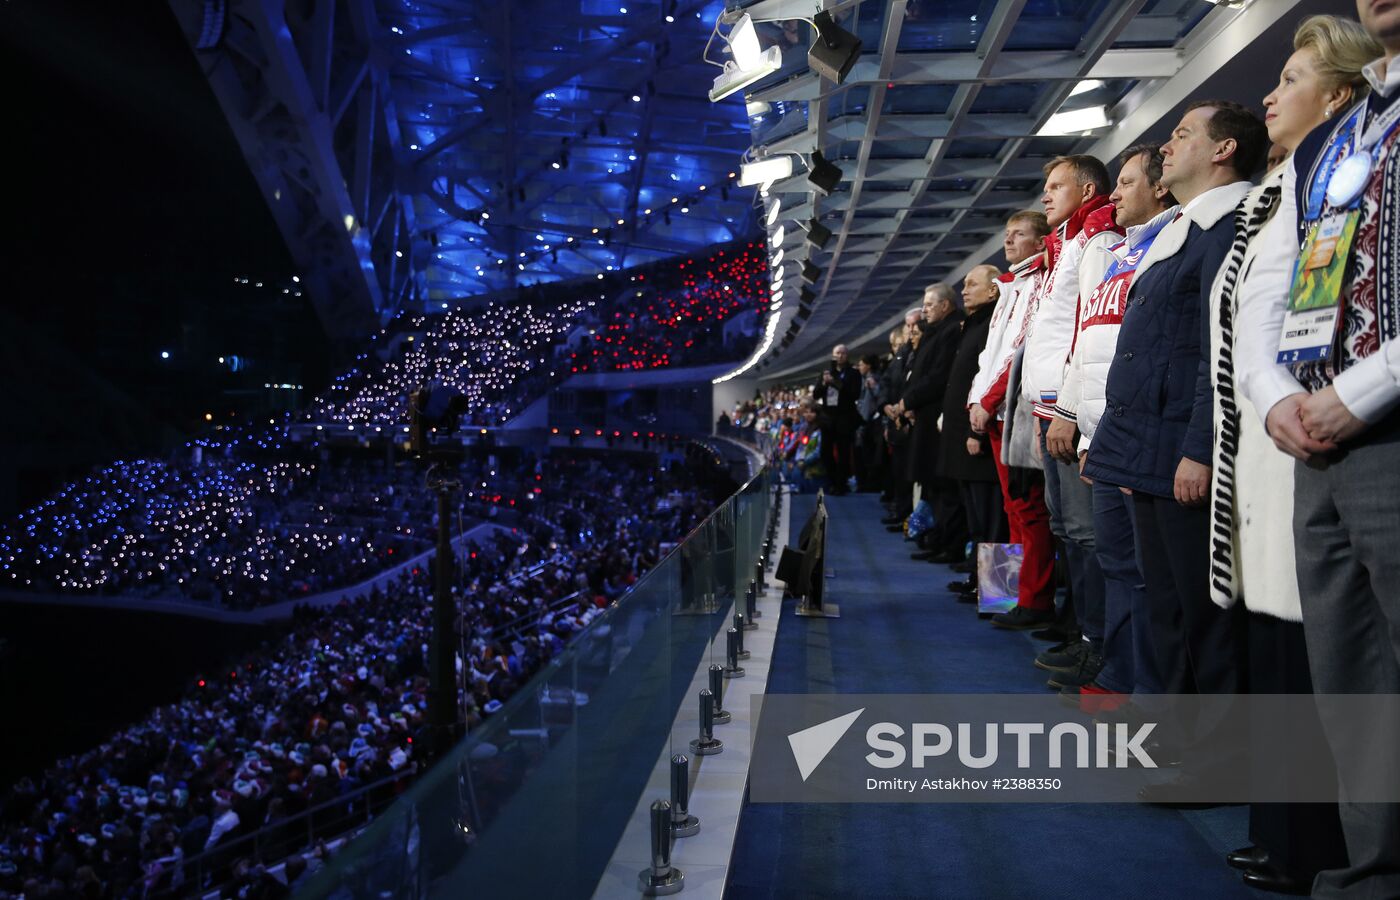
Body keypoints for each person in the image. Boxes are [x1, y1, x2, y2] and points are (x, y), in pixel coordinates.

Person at [1234, 2, 1400, 893]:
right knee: (1352, 687)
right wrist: (1277, 400)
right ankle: (1374, 873)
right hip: (1320, 444)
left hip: (1382, 427)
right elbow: (1276, 291)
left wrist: (1357, 394)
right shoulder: (1334, 142)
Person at [1085, 99, 1268, 798]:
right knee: (1166, 609)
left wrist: (1198, 448)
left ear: (1223, 152)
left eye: (1184, 133)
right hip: (1146, 450)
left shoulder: (1228, 227)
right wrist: (1122, 455)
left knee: (1205, 615)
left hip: (1183, 452)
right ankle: (1179, 742)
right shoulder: (1179, 232)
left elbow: (1211, 354)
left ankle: (1219, 762)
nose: (1168, 145)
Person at [1048, 144, 1177, 710]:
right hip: (1103, 436)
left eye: (1126, 183)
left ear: (1160, 188)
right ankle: (1118, 676)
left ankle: (1146, 691)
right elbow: (1086, 346)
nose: (1115, 195)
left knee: (1148, 576)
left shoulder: (1171, 245)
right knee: (1114, 562)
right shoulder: (1122, 252)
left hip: (1142, 440)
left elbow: (1158, 354)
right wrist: (1078, 419)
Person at [1022, 154, 1123, 658]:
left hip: (1071, 408)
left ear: (1087, 192)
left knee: (1086, 533)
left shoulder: (1098, 233)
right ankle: (1076, 627)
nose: (1045, 194)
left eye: (1056, 185)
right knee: (1064, 527)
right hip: (1047, 407)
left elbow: (1088, 329)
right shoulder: (1060, 245)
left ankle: (1096, 642)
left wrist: (1069, 410)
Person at [966, 211, 1056, 623]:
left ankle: (1030, 599)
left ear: (1041, 243)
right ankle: (1005, 595)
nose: (1008, 240)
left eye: (1018, 234)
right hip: (989, 412)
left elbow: (1019, 350)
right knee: (1007, 508)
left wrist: (987, 400)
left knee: (1027, 508)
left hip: (1013, 410)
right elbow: (990, 357)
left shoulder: (1038, 283)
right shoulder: (1008, 289)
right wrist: (975, 399)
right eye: (1006, 233)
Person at [939, 265, 1007, 579]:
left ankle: (997, 594)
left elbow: (987, 378)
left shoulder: (995, 323)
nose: (964, 290)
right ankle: (978, 582)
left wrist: (974, 431)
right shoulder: (974, 324)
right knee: (978, 518)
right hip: (967, 435)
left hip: (981, 432)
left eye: (971, 284)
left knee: (994, 519)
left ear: (993, 289)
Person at [892, 286, 964, 554]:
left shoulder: (951, 330)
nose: (925, 310)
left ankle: (948, 542)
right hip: (927, 416)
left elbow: (938, 376)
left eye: (930, 305)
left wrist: (908, 402)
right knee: (932, 485)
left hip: (940, 421)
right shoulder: (937, 332)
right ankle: (935, 536)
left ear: (945, 305)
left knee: (944, 487)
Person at [814, 343, 861, 494]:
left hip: (844, 418)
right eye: (837, 353)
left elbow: (854, 394)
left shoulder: (853, 373)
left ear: (847, 356)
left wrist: (834, 382)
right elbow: (816, 395)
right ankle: (833, 480)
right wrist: (823, 383)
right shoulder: (826, 373)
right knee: (825, 453)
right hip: (828, 418)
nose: (840, 356)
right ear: (833, 355)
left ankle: (841, 484)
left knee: (843, 453)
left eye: (843, 353)